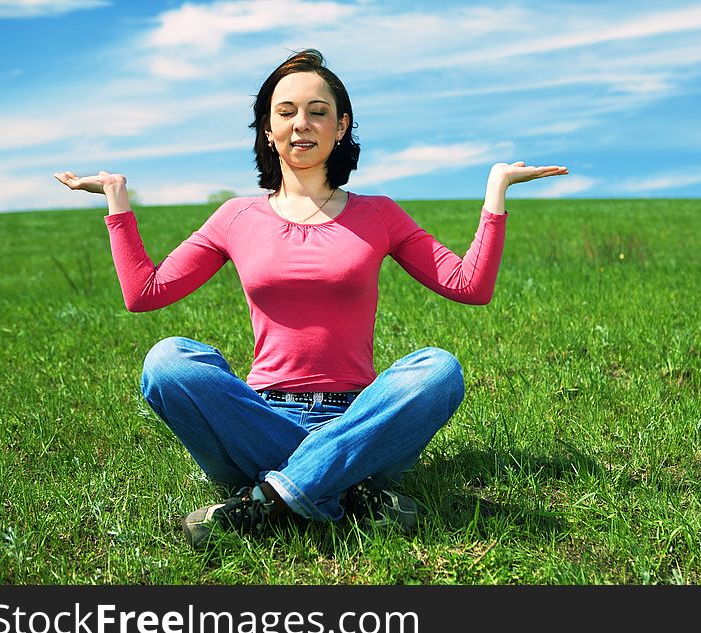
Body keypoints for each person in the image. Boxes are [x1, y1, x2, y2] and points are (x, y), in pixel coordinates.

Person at [54, 49, 568, 549]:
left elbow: (469, 287)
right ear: (268, 128)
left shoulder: (379, 214)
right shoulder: (236, 217)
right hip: (255, 421)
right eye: (287, 112)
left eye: (318, 112)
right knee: (167, 361)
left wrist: (496, 191)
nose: (302, 123)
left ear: (341, 126)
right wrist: (117, 200)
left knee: (437, 370)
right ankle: (345, 488)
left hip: (357, 418)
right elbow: (145, 294)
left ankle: (264, 500)